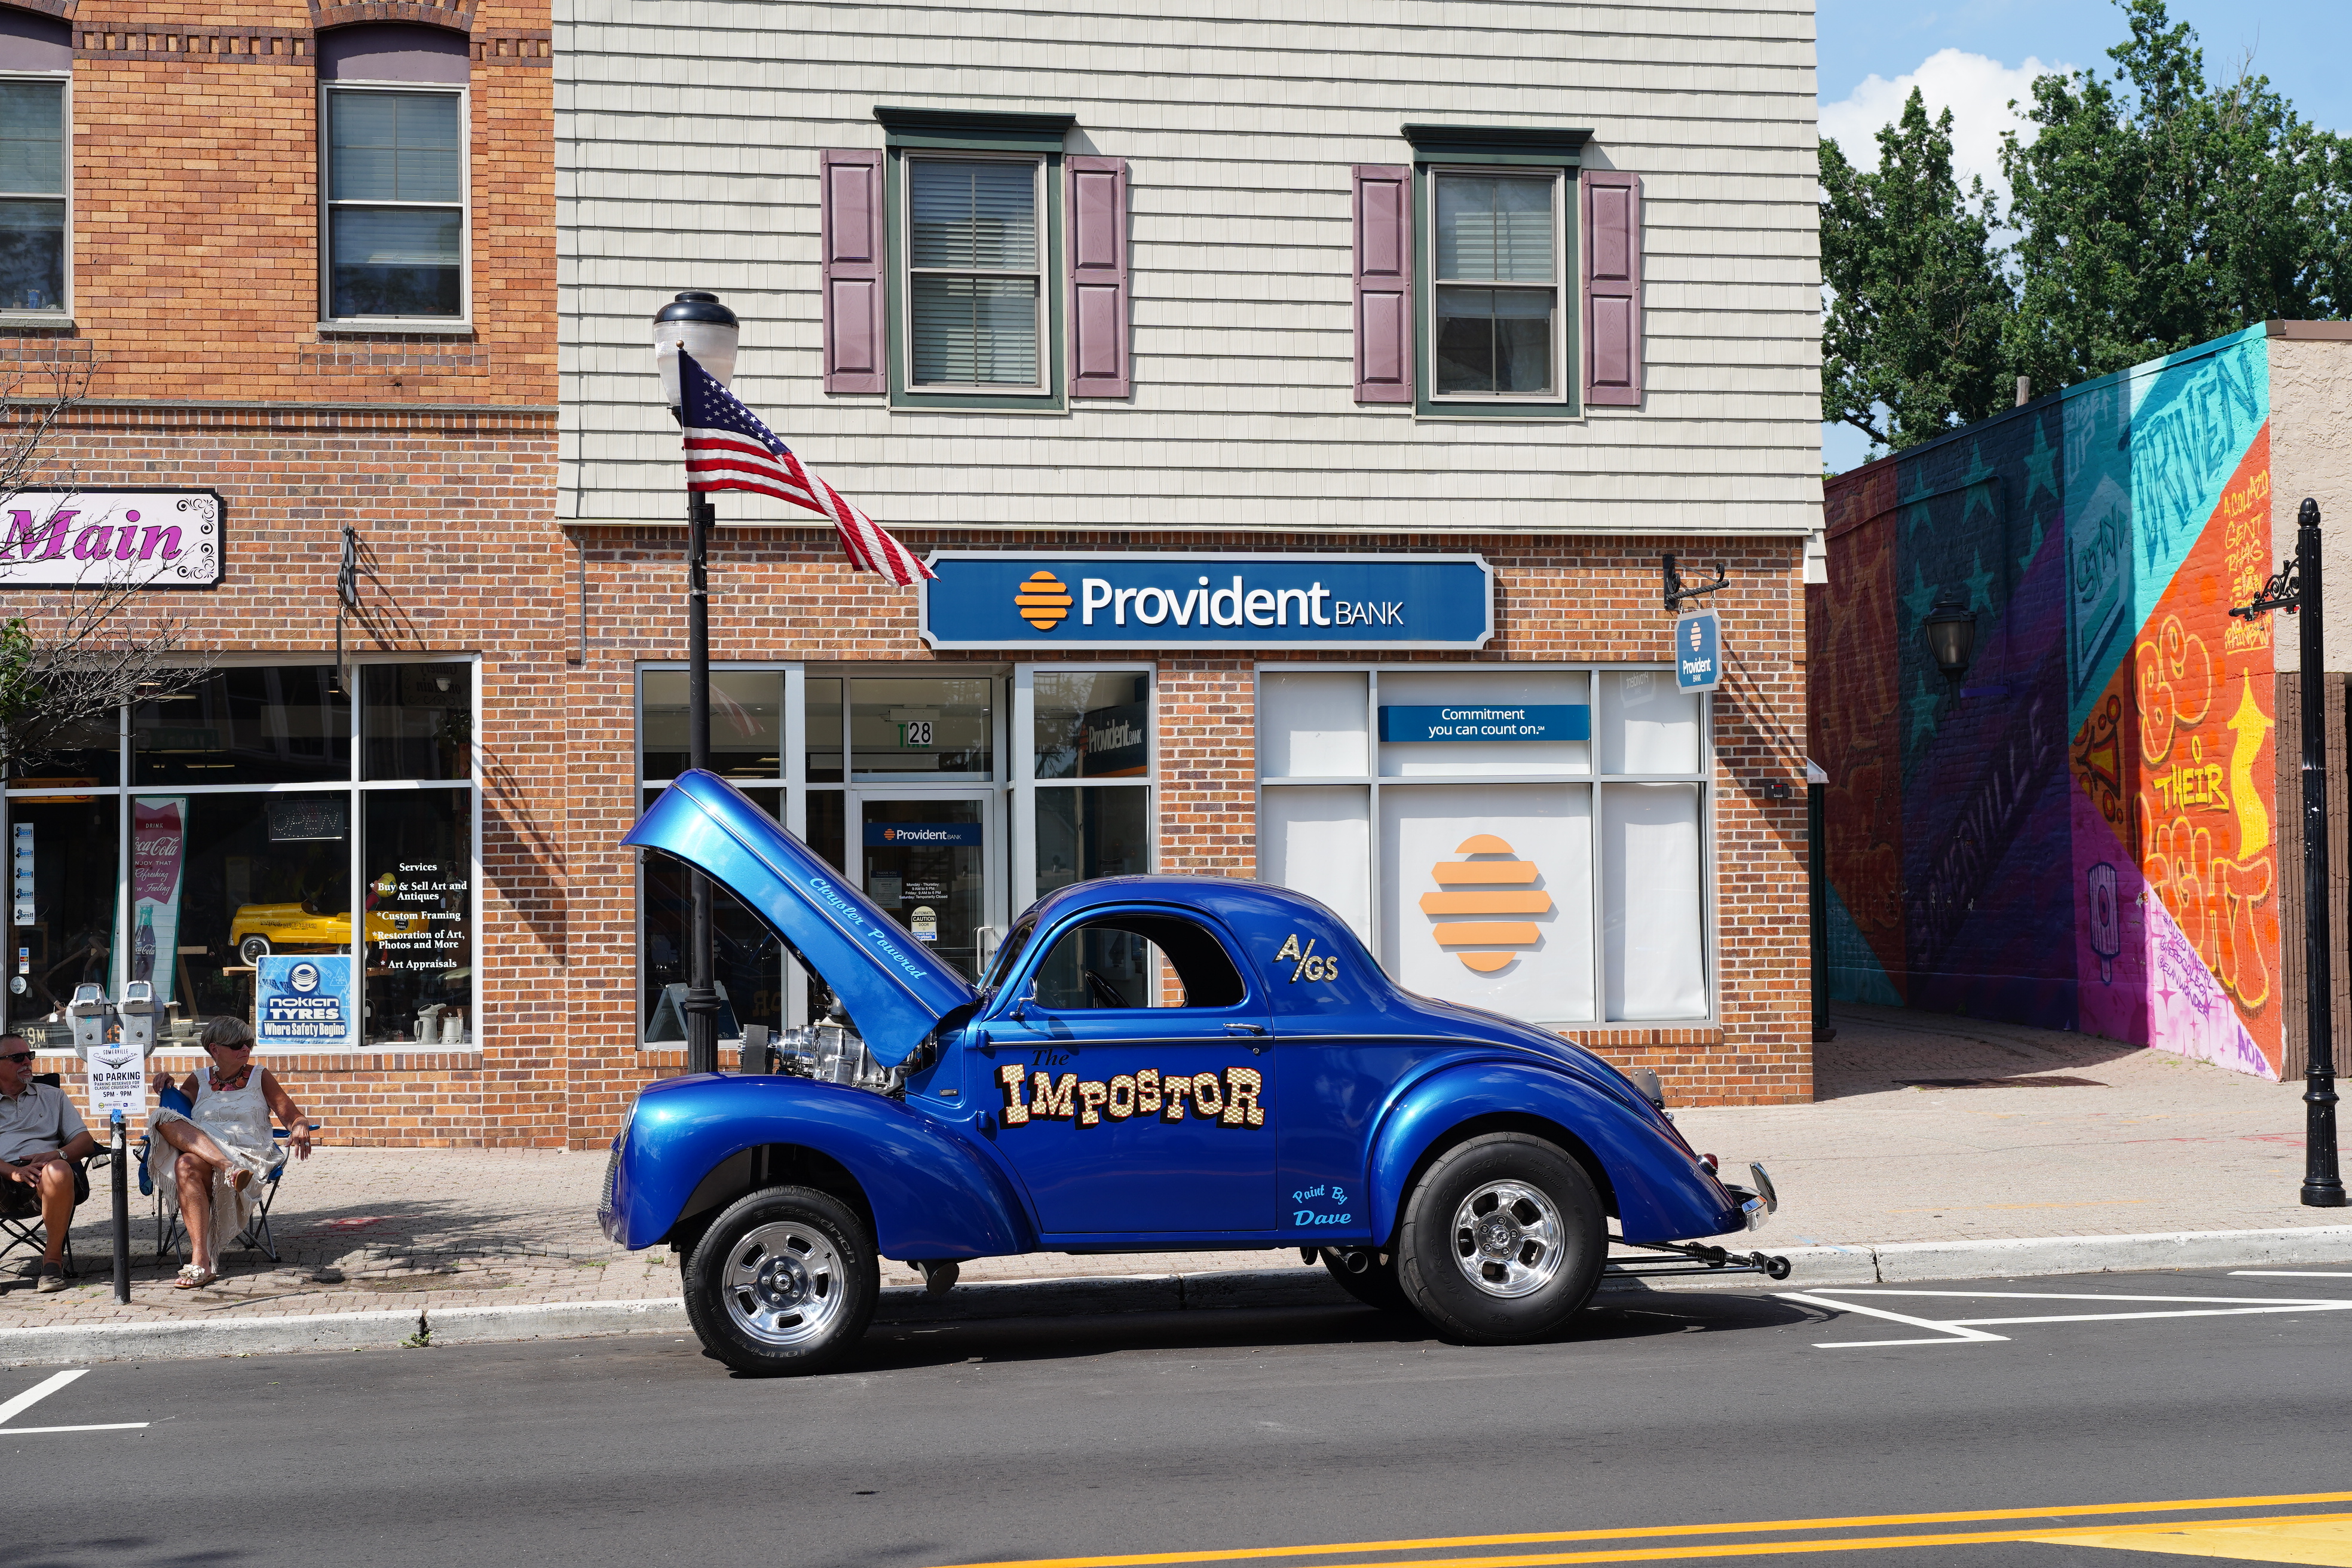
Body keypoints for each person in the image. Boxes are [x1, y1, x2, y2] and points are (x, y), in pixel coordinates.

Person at [148, 1017, 313, 1289]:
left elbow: (292, 1116)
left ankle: (229, 1171)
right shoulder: (198, 1079)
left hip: (249, 1155)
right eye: (237, 1045)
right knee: (165, 1126)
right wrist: (168, 1085)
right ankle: (201, 1259)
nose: (245, 1049)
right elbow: (179, 1113)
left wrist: (300, 1125)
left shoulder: (260, 1076)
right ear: (215, 1049)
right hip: (213, 1156)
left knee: (186, 1161)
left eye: (248, 1043)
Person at [0, 1033, 98, 1293]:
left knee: (58, 1169)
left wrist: (57, 1155)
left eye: (29, 1055)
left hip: (45, 1182)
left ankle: (52, 1264)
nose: (27, 1062)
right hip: (3, 1179)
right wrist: (14, 1172)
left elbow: (86, 1142)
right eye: (17, 1057)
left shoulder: (53, 1096)